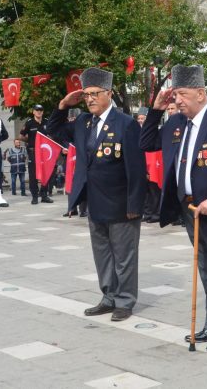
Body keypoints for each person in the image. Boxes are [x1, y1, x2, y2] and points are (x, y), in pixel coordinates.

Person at [140, 64, 207, 352]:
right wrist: (156, 109)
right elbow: (146, 142)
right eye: (175, 95)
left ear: (201, 94)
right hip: (190, 210)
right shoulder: (177, 123)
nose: (178, 101)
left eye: (183, 95)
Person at [48, 67, 146, 321]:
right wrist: (62, 106)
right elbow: (54, 131)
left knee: (124, 256)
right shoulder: (83, 122)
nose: (89, 98)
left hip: (122, 202)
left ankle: (125, 300)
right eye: (86, 94)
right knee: (102, 254)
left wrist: (135, 203)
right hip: (95, 200)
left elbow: (136, 168)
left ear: (109, 93)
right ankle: (109, 296)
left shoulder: (125, 123)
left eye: (94, 93)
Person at [20, 104, 54, 205]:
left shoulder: (47, 122)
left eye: (41, 110)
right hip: (33, 151)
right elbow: (21, 135)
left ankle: (44, 195)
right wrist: (29, 140)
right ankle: (34, 196)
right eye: (37, 110)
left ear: (43, 112)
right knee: (33, 174)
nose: (39, 111)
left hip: (44, 152)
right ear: (33, 112)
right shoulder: (29, 123)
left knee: (45, 173)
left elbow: (52, 134)